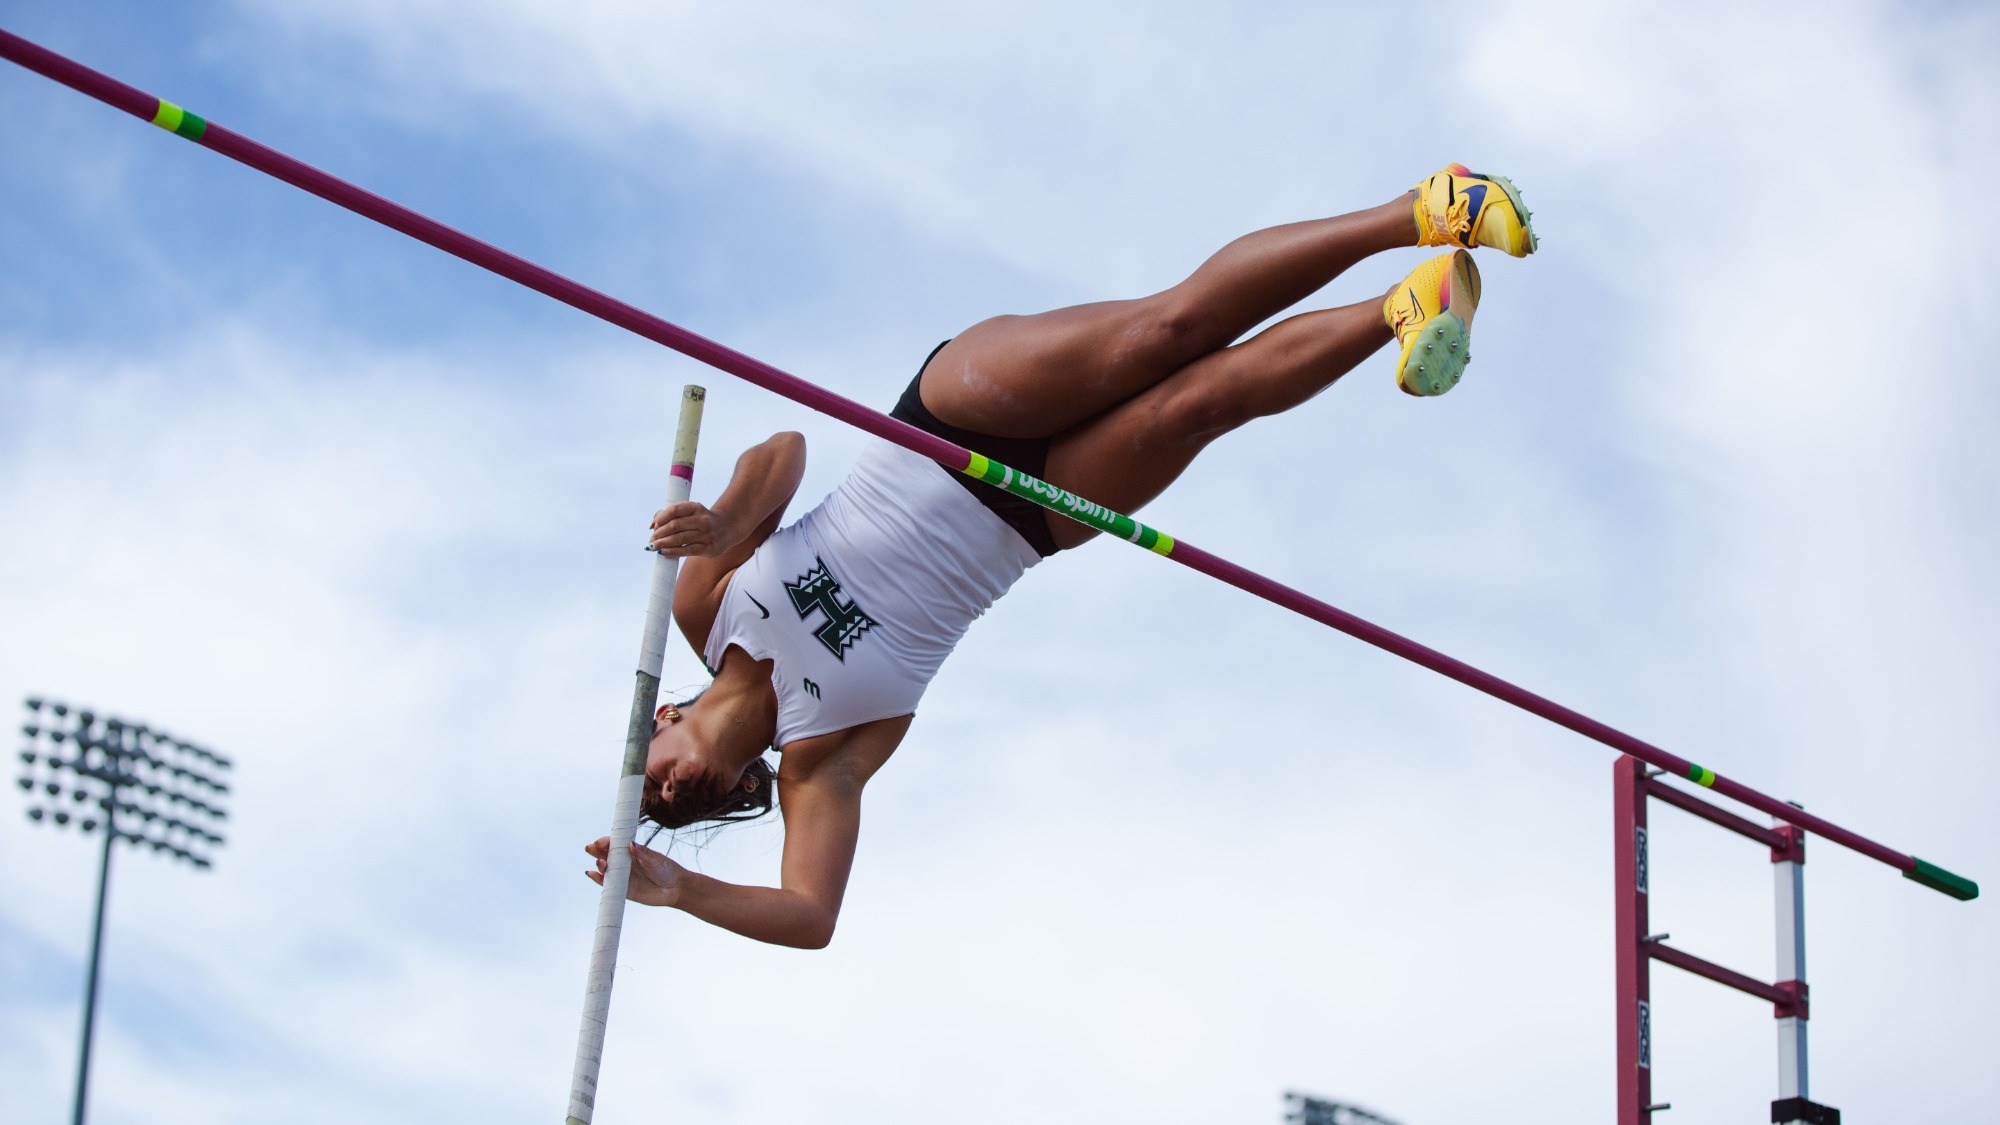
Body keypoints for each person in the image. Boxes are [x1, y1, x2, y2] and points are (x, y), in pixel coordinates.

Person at [585, 164, 1538, 948]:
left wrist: (724, 516)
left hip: (948, 423)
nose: (664, 788)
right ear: (741, 789)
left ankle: (1427, 207)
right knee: (1201, 404)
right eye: (670, 807)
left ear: (662, 711)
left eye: (649, 769)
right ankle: (1406, 309)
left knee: (1165, 332)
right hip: (1029, 525)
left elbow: (784, 450)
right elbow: (811, 915)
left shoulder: (703, 607)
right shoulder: (819, 765)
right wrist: (680, 892)